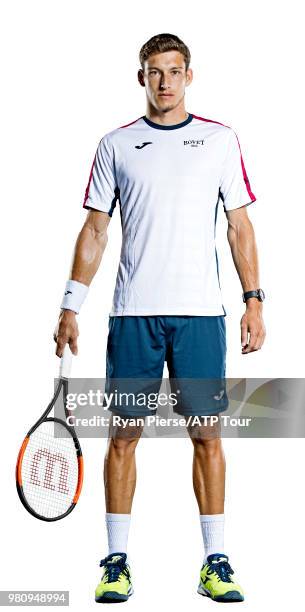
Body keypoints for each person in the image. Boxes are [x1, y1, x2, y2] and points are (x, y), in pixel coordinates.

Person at [54, 33, 266, 604]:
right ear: (141, 77)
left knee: (208, 435)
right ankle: (116, 560)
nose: (165, 81)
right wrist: (71, 304)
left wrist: (254, 299)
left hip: (200, 315)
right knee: (123, 437)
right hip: (133, 316)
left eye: (174, 71)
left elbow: (239, 226)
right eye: (154, 72)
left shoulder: (219, 141)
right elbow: (95, 231)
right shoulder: (116, 145)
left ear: (188, 76)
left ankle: (215, 561)